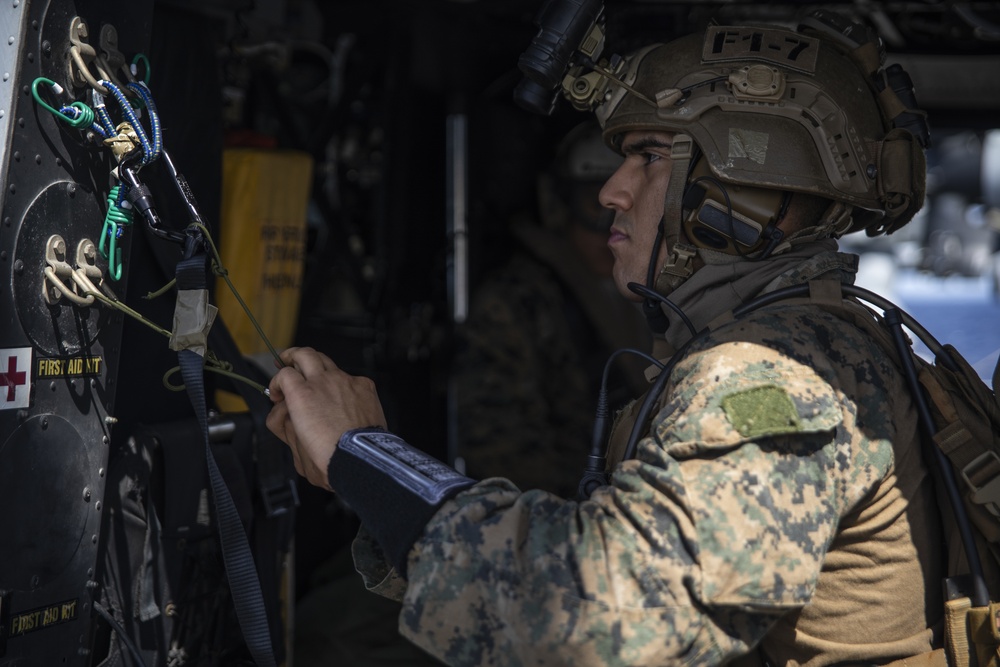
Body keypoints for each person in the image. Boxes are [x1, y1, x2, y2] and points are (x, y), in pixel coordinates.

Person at [267, 10, 942, 665]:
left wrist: (366, 458)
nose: (611, 192)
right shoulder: (823, 340)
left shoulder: (772, 373)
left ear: (750, 184)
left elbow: (606, 626)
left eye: (648, 156)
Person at [453, 120, 650, 497]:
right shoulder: (518, 301)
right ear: (558, 204)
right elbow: (501, 451)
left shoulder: (659, 291)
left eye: (629, 206)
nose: (610, 226)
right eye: (594, 207)